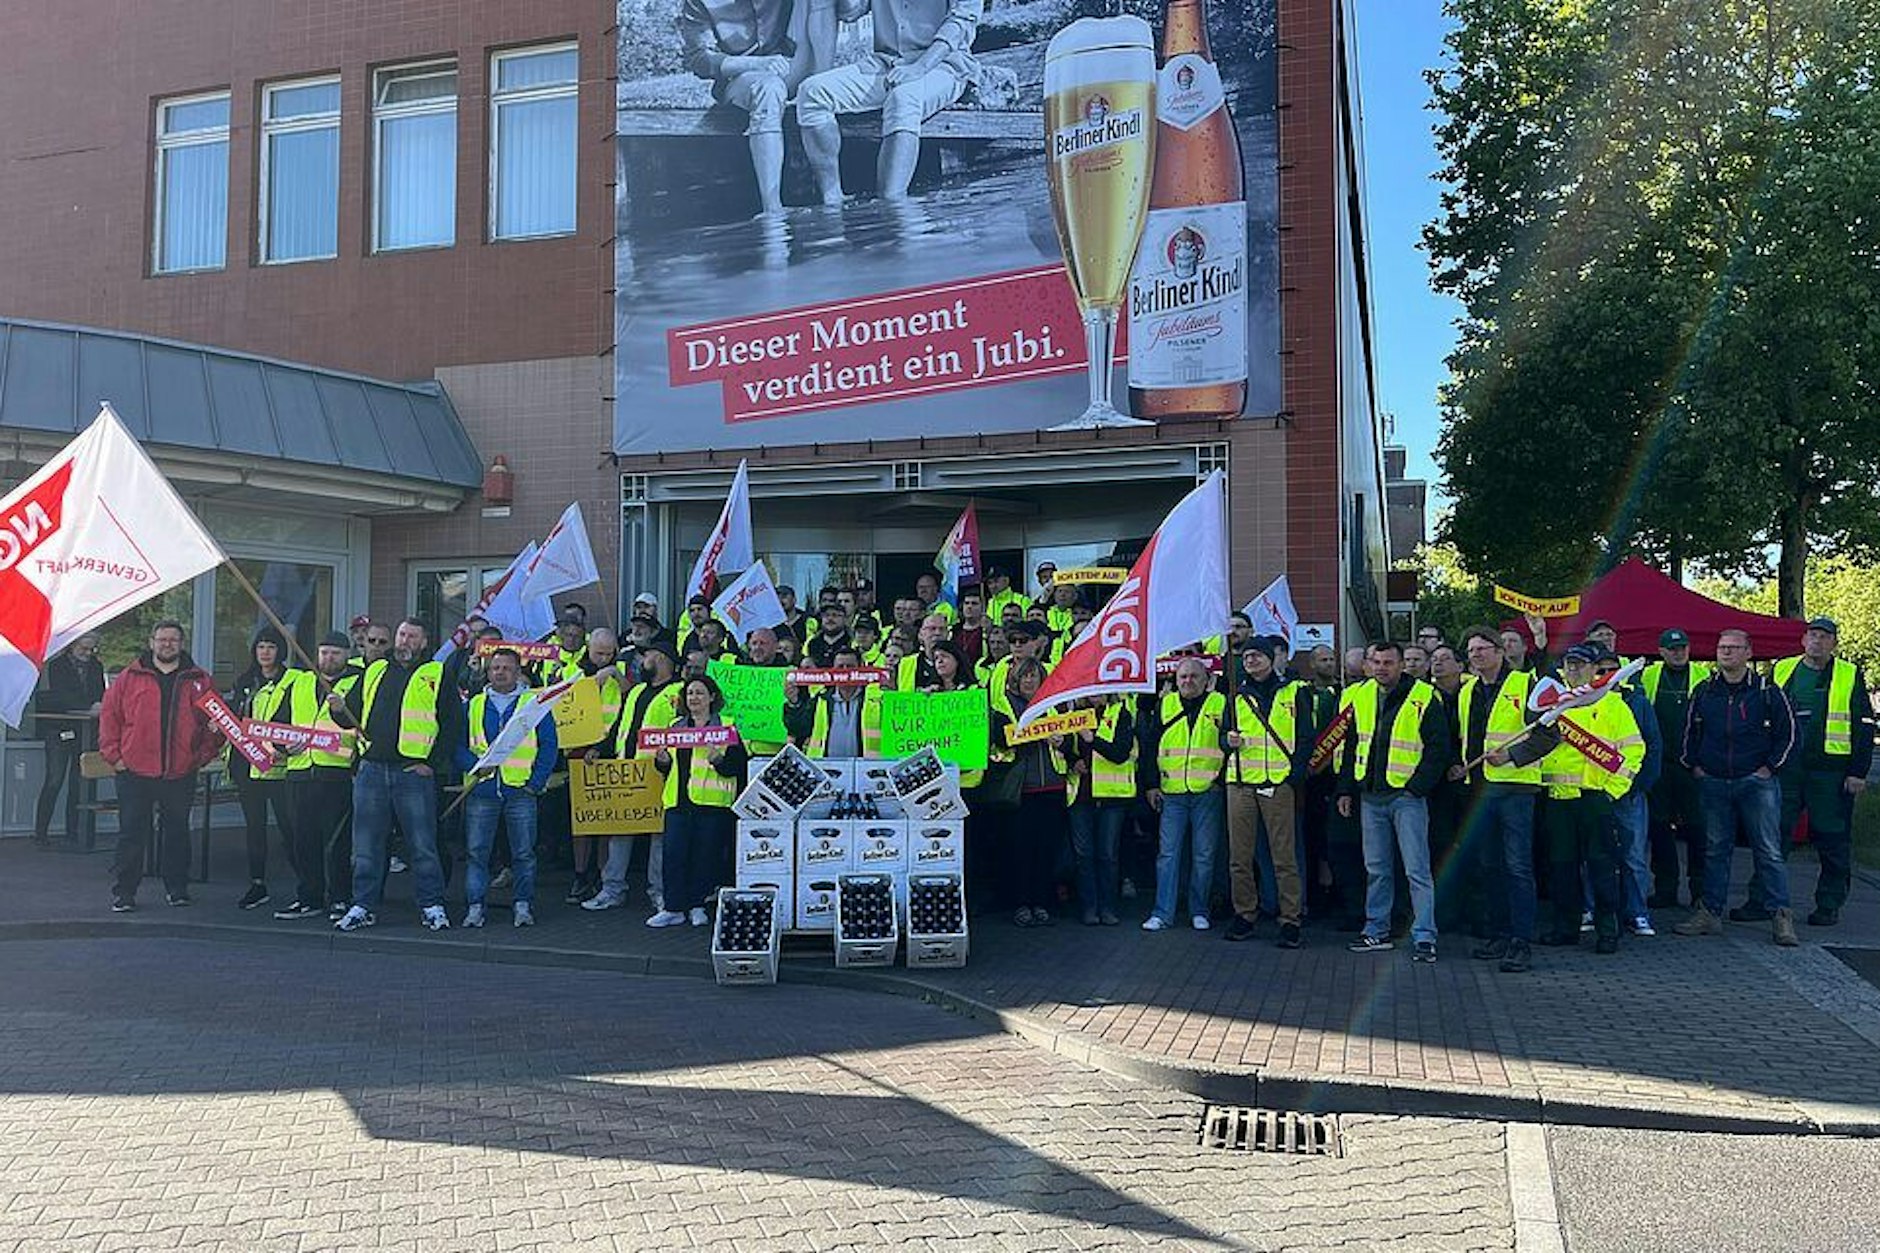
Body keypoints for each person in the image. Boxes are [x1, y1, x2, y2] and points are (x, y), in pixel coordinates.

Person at [333, 618, 462, 933]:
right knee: (367, 845)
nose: (405, 640)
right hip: (372, 769)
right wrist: (337, 709)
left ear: (424, 642)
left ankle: (431, 904)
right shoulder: (375, 669)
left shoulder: (437, 673)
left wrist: (432, 763)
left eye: (412, 636)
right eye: (402, 634)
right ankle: (363, 905)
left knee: (423, 844)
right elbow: (350, 716)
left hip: (412, 772)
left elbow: (452, 723)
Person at [677, 0, 865, 213]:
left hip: (792, 65)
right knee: (768, 88)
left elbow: (851, 12)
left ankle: (833, 195)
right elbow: (700, 60)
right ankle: (773, 210)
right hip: (741, 78)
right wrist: (756, 64)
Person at [1673, 628, 1799, 946]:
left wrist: (1770, 768)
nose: (1726, 652)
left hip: (1756, 783)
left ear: (1748, 652)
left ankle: (1781, 916)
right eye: (1722, 647)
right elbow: (1688, 732)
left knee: (1768, 850)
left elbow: (1789, 734)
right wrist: (1694, 765)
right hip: (1714, 782)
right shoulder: (1704, 691)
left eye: (1733, 647)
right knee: (1715, 850)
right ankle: (1710, 913)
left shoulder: (1768, 691)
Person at [1337, 642, 1451, 962]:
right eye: (1376, 662)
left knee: (1417, 870)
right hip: (1370, 796)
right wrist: (1345, 789)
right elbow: (1351, 745)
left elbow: (1439, 748)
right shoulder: (1361, 695)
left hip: (1406, 797)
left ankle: (1425, 936)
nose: (1381, 668)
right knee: (1377, 869)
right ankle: (1376, 930)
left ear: (1402, 665)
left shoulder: (1424, 695)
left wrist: (1416, 788)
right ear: (1368, 664)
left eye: (1388, 662)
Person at [98, 621, 221, 911]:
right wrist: (115, 757)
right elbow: (110, 716)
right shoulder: (129, 677)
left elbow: (216, 723)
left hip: (179, 771)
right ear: (151, 642)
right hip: (134, 771)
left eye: (173, 640)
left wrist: (200, 756)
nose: (167, 644)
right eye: (162, 639)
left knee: (177, 832)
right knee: (131, 833)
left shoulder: (200, 680)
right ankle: (124, 892)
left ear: (182, 644)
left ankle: (177, 888)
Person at [1451, 627, 1553, 973]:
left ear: (1499, 651)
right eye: (1471, 650)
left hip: (1515, 789)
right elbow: (1466, 737)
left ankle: (1520, 942)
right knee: (1490, 866)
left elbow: (1549, 735)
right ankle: (1500, 933)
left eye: (1482, 648)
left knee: (1518, 867)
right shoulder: (1467, 690)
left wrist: (1511, 755)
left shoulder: (1524, 684)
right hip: (1480, 790)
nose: (1476, 655)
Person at [1535, 645, 1645, 954]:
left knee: (1602, 867)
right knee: (1561, 869)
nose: (1574, 670)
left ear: (1595, 669)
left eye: (1580, 665)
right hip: (1558, 799)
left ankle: (1608, 930)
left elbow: (1634, 750)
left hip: (1595, 798)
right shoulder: (1554, 704)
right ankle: (1565, 928)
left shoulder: (1612, 704)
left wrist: (1612, 790)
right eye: (1569, 665)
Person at [1770, 617, 1874, 927]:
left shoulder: (1848, 674)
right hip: (1788, 768)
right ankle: (1763, 899)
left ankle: (1828, 904)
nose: (1818, 641)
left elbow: (1865, 726)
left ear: (1834, 643)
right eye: (1813, 635)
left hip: (1831, 772)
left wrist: (1858, 771)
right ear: (1803, 640)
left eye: (1825, 636)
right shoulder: (1782, 669)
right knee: (1774, 836)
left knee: (1832, 839)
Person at [455, 648, 557, 929]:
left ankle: (523, 905)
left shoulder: (533, 705)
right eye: (495, 668)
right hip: (481, 790)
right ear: (488, 671)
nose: (500, 672)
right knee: (477, 853)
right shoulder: (473, 705)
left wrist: (536, 783)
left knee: (523, 853)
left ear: (517, 672)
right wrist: (474, 766)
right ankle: (475, 907)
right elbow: (457, 745)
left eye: (506, 668)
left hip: (520, 790)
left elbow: (549, 745)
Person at [1223, 637, 1310, 948]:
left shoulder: (1294, 692)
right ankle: (1244, 914)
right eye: (1246, 656)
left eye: (1257, 655)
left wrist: (1293, 775)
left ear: (1271, 659)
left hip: (1278, 782)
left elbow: (1306, 737)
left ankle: (1290, 919)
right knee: (1239, 857)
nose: (1250, 660)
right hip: (1241, 783)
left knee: (1284, 856)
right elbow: (1222, 737)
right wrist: (1227, 741)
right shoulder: (1235, 695)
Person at [587, 640, 685, 913]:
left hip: (659, 774)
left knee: (659, 837)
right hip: (627, 772)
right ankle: (612, 890)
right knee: (620, 832)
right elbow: (621, 725)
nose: (642, 661)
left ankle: (659, 892)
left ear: (661, 658)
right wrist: (600, 749)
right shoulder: (637, 691)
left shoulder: (677, 692)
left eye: (647, 655)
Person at [644, 675, 747, 928]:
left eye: (700, 693)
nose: (694, 698)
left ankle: (697, 905)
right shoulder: (675, 726)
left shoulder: (727, 726)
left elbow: (738, 766)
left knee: (705, 857)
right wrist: (662, 762)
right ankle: (673, 908)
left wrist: (719, 760)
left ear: (712, 697)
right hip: (678, 802)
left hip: (712, 804)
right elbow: (666, 767)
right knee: (673, 855)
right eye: (690, 693)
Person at [1142, 657, 1227, 932]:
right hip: (1172, 792)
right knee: (1168, 856)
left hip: (1208, 792)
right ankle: (1162, 913)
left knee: (1204, 856)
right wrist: (1151, 784)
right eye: (1183, 677)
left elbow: (1229, 745)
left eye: (1194, 676)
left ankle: (1199, 910)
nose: (1188, 681)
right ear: (1176, 680)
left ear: (1206, 680)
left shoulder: (1220, 703)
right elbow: (1150, 745)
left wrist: (1220, 782)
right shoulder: (1165, 704)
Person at [227, 626, 301, 912]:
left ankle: (308, 883)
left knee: (289, 826)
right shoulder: (245, 681)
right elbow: (235, 717)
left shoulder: (294, 681)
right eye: (260, 647)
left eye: (271, 647)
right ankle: (257, 884)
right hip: (247, 765)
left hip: (279, 766)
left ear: (280, 651)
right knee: (254, 827)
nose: (265, 652)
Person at [987, 658, 1066, 925]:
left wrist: (1063, 742)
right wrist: (1039, 733)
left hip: (1053, 786)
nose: (1030, 680)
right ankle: (1021, 904)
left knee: (1046, 849)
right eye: (1025, 676)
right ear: (1016, 680)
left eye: (1034, 675)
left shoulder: (1054, 703)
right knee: (1020, 850)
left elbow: (1072, 739)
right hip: (1022, 790)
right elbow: (1002, 738)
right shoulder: (1004, 705)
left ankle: (1041, 903)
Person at [294, 633, 361, 919]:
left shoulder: (357, 681)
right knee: (303, 839)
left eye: (335, 653)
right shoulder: (301, 681)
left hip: (337, 771)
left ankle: (339, 897)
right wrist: (283, 745)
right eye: (324, 652)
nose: (328, 658)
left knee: (337, 842)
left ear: (347, 654)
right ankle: (309, 897)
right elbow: (280, 721)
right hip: (300, 769)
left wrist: (342, 710)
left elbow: (361, 723)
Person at [1641, 628, 1709, 909]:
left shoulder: (1704, 676)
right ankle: (1665, 888)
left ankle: (1700, 891)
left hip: (1692, 766)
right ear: (1661, 652)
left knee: (1698, 828)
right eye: (1672, 649)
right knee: (1659, 828)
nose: (1678, 653)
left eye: (1682, 648)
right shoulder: (1648, 676)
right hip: (1659, 765)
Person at [1601, 650, 1663, 937]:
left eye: (1612, 670)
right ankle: (1592, 909)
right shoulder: (1580, 703)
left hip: (1630, 792)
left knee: (1634, 856)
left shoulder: (1637, 702)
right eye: (1600, 670)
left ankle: (1637, 913)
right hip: (1595, 791)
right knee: (1595, 855)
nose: (1606, 675)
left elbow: (1652, 745)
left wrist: (1640, 785)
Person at [1061, 695, 1134, 926]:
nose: (1095, 693)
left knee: (1107, 855)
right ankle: (1089, 908)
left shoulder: (1120, 713)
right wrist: (1073, 761)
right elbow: (1066, 748)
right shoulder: (1074, 715)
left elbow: (1121, 753)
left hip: (1111, 796)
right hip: (1081, 796)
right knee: (1084, 855)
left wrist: (1093, 739)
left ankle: (1108, 908)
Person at [32, 632, 105, 847]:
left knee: (79, 782)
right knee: (54, 779)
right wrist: (88, 707)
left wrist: (98, 706)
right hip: (59, 728)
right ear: (72, 645)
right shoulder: (57, 665)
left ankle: (74, 831)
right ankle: (41, 833)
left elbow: (100, 692)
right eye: (84, 648)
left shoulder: (96, 666)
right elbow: (60, 695)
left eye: (92, 649)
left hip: (85, 730)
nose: (88, 653)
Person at [791, 645, 883, 757]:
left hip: (867, 765)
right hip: (824, 765)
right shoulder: (821, 698)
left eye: (850, 666)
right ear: (833, 670)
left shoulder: (875, 699)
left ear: (861, 668)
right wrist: (793, 703)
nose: (845, 671)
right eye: (840, 667)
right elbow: (798, 729)